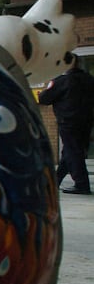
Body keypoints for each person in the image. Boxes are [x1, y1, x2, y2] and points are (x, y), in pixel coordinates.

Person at [38, 55, 94, 194]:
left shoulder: (62, 81)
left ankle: (82, 184)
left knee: (73, 151)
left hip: (68, 122)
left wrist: (43, 92)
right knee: (70, 151)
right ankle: (55, 181)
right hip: (87, 121)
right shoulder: (89, 79)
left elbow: (45, 99)